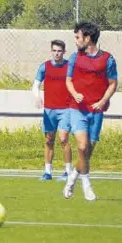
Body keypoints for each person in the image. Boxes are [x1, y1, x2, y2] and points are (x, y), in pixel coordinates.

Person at [63, 22, 117, 201]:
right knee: (82, 146)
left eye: (78, 37)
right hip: (77, 109)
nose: (76, 41)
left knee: (87, 153)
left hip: (96, 111)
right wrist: (74, 93)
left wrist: (102, 101)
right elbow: (68, 81)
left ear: (88, 38)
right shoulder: (74, 58)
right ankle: (86, 184)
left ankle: (73, 177)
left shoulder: (108, 59)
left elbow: (112, 84)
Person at [32, 40, 72, 181]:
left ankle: (68, 171)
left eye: (59, 51)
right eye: (54, 50)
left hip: (66, 109)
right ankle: (47, 172)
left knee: (63, 138)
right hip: (49, 110)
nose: (57, 53)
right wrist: (37, 97)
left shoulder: (69, 67)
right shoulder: (45, 67)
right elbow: (35, 85)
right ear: (51, 51)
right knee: (49, 140)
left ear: (64, 52)